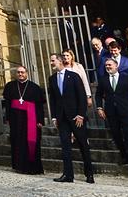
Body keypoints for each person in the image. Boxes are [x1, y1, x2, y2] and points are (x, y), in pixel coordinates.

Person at [47, 53, 93, 184]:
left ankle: (89, 174)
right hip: (62, 118)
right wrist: (55, 117)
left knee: (83, 145)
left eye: (53, 60)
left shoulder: (73, 76)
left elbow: (82, 96)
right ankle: (68, 175)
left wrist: (81, 115)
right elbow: (53, 100)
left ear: (60, 61)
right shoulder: (52, 79)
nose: (51, 63)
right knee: (65, 147)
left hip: (76, 117)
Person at [95, 57, 128, 173]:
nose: (108, 67)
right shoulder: (103, 79)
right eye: (106, 65)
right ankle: (124, 154)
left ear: (116, 66)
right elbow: (98, 95)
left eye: (110, 65)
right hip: (111, 113)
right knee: (116, 135)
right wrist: (99, 107)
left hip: (126, 112)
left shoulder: (126, 79)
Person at [1, 65, 45, 174]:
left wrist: (40, 120)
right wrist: (8, 118)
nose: (20, 74)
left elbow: (39, 106)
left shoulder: (35, 87)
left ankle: (32, 167)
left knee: (31, 142)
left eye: (22, 72)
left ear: (27, 73)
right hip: (16, 120)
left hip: (31, 119)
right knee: (17, 141)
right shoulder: (10, 86)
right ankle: (19, 166)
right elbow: (7, 104)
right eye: (18, 72)